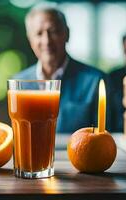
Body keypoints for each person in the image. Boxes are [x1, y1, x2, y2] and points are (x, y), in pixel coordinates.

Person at [13, 5, 105, 133]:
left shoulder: (95, 81)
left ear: (67, 34)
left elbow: (109, 136)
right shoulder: (18, 84)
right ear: (30, 40)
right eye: (39, 33)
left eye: (54, 31)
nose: (47, 41)